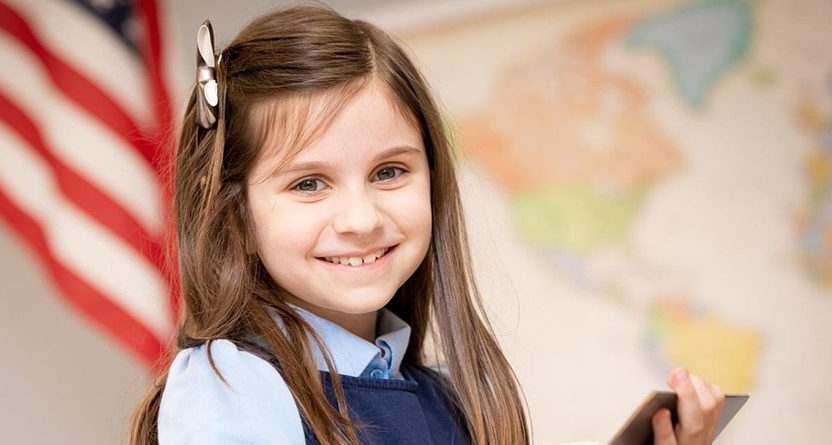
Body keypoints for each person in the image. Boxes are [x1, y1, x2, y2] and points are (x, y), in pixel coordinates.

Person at [129, 5, 727, 445]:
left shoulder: (450, 396)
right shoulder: (230, 385)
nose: (362, 219)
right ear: (233, 210)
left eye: (389, 172)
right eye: (309, 184)